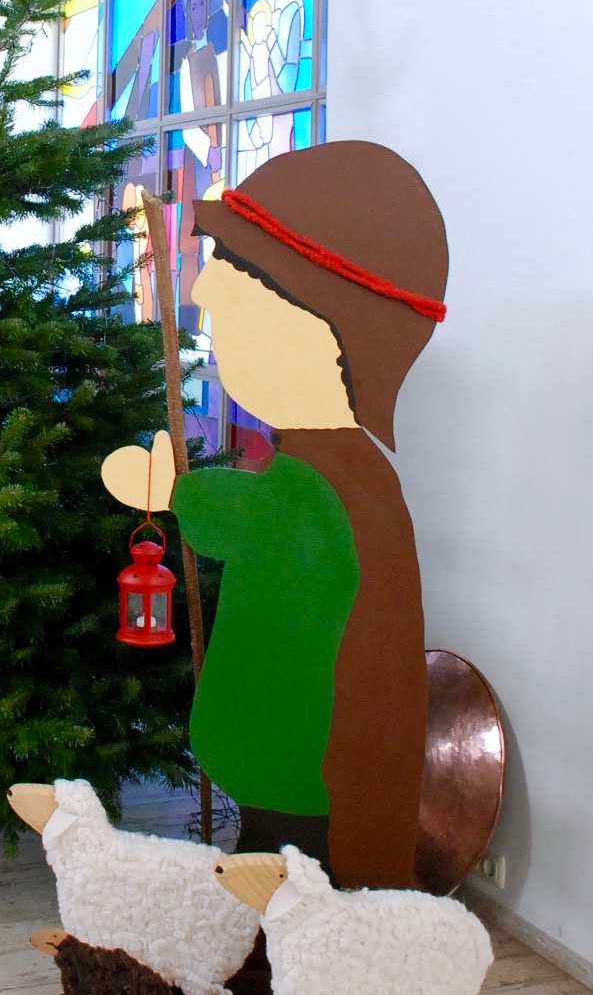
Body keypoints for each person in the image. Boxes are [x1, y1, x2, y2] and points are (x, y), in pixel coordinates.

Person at [103, 141, 449, 890]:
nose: (206, 294)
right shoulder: (343, 475)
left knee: (287, 881)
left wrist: (173, 491)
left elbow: (250, 517)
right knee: (271, 871)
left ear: (317, 324)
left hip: (305, 772)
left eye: (234, 274)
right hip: (300, 775)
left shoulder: (325, 485)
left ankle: (281, 948)